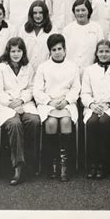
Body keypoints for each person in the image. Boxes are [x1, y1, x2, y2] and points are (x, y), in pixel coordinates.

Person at [0, 37, 41, 185]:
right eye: (13, 51)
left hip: (24, 103)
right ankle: (18, 166)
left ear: (23, 52)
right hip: (5, 105)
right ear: (8, 51)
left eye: (19, 50)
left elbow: (31, 88)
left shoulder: (28, 67)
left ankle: (30, 163)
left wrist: (21, 101)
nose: (16, 54)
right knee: (14, 124)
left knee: (34, 121)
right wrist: (12, 104)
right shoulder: (0, 67)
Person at [33, 34, 81, 182]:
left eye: (60, 48)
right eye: (54, 49)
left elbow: (76, 88)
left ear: (65, 49)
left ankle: (64, 164)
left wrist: (66, 101)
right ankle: (52, 162)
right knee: (52, 123)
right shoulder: (43, 67)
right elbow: (37, 90)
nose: (57, 52)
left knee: (66, 122)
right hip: (48, 104)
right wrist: (50, 101)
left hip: (67, 103)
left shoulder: (72, 66)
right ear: (50, 51)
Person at [81, 40, 110, 179]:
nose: (104, 54)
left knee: (104, 122)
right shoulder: (89, 70)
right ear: (96, 53)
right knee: (92, 122)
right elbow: (85, 93)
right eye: (101, 51)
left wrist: (108, 104)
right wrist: (92, 105)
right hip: (94, 106)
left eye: (107, 51)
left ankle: (104, 164)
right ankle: (92, 163)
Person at [62, 0, 104, 73]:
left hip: (91, 70)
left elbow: (101, 50)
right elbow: (63, 52)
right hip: (71, 71)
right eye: (77, 10)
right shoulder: (67, 29)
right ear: (74, 12)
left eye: (83, 10)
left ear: (89, 11)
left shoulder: (97, 28)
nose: (80, 13)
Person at [17, 0, 55, 71]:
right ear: (31, 14)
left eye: (41, 13)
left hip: (46, 69)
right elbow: (19, 49)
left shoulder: (53, 29)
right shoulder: (23, 29)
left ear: (45, 14)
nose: (38, 16)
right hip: (26, 69)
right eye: (35, 13)